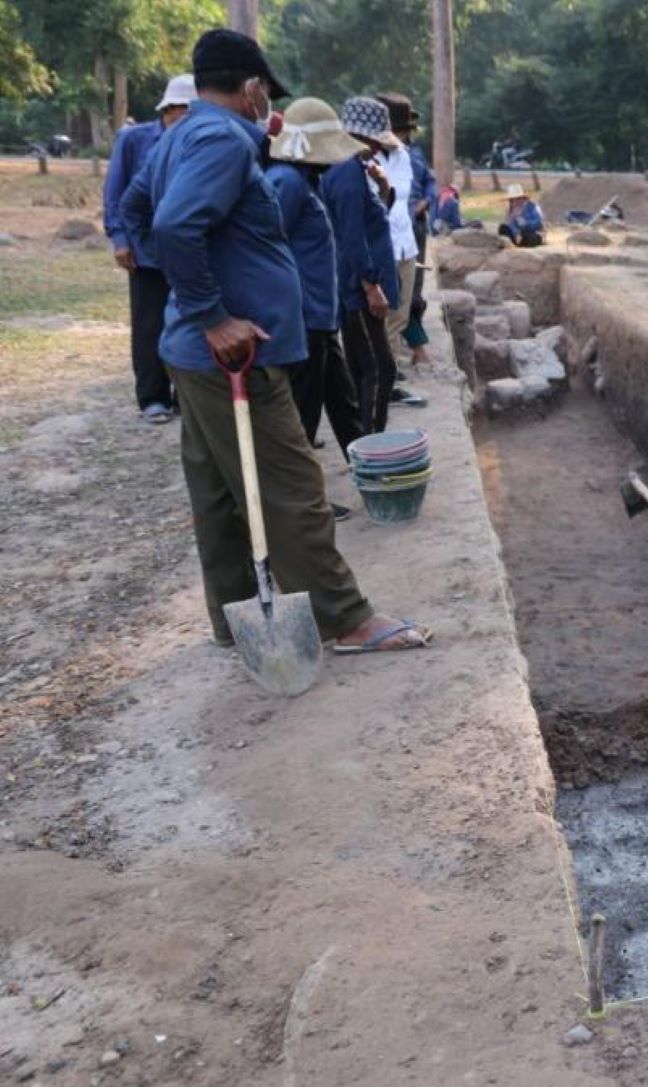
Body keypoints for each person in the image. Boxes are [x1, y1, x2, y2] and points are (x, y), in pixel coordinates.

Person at [120, 29, 430, 655]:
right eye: (266, 93)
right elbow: (176, 224)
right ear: (254, 87)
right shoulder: (220, 139)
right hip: (235, 352)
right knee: (292, 484)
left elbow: (137, 208)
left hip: (195, 351)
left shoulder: (179, 135)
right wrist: (214, 314)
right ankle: (344, 618)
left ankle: (234, 616)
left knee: (217, 492)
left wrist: (192, 301)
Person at [265, 97, 365, 479]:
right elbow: (269, 244)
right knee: (303, 415)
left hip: (322, 316)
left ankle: (370, 471)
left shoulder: (306, 183)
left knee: (342, 401)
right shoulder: (286, 184)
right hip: (304, 316)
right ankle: (300, 501)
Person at [105, 73, 196, 425]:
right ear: (170, 109)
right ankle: (152, 397)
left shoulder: (194, 141)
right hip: (145, 249)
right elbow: (116, 193)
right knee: (149, 324)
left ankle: (183, 395)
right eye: (183, 112)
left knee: (187, 320)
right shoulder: (134, 140)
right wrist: (120, 239)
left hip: (183, 247)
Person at [334, 97, 404, 435]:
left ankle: (367, 437)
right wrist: (370, 286)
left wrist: (383, 189)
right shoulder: (346, 172)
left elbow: (370, 221)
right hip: (356, 288)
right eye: (376, 141)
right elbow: (351, 236)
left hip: (356, 283)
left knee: (366, 366)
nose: (378, 149)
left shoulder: (354, 170)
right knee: (378, 369)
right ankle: (372, 443)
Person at [377, 93, 435, 371]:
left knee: (409, 301)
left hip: (410, 234)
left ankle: (402, 356)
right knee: (383, 307)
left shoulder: (408, 154)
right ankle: (385, 369)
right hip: (383, 242)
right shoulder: (368, 160)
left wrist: (424, 203)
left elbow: (428, 184)